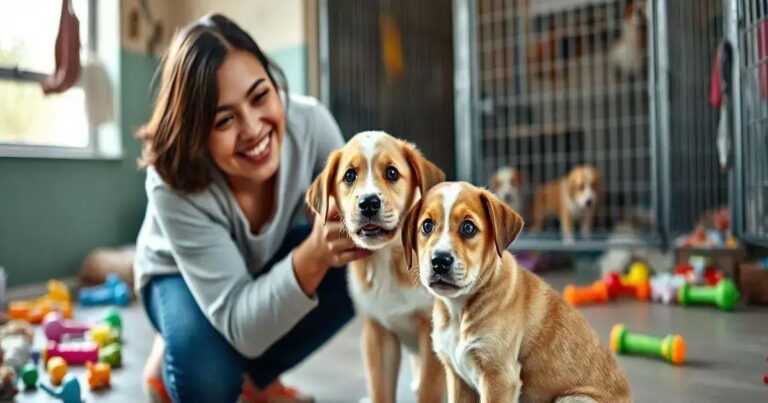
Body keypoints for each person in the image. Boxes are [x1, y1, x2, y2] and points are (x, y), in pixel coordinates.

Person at [133, 14, 370, 402]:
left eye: (260, 96)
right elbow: (243, 324)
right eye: (224, 119)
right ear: (195, 130)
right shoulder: (171, 179)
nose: (253, 129)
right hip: (178, 276)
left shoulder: (309, 124)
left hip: (259, 260)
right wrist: (314, 254)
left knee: (356, 263)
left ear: (274, 83)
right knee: (207, 384)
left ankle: (256, 380)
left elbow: (352, 220)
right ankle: (177, 346)